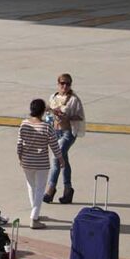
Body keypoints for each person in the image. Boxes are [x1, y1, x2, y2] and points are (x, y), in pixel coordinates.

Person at [17, 99, 63, 229]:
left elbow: (19, 143)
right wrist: (61, 159)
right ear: (43, 112)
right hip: (41, 163)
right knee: (40, 189)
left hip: (26, 161)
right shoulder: (46, 127)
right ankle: (34, 218)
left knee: (31, 186)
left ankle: (34, 211)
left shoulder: (24, 124)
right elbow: (54, 145)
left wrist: (20, 157)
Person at [46, 73, 86, 205]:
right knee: (64, 160)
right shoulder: (53, 97)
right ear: (58, 84)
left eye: (68, 84)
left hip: (68, 133)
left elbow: (80, 116)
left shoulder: (74, 100)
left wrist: (67, 117)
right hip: (55, 132)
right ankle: (68, 190)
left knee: (57, 158)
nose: (65, 86)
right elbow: (49, 113)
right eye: (62, 83)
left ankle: (50, 189)